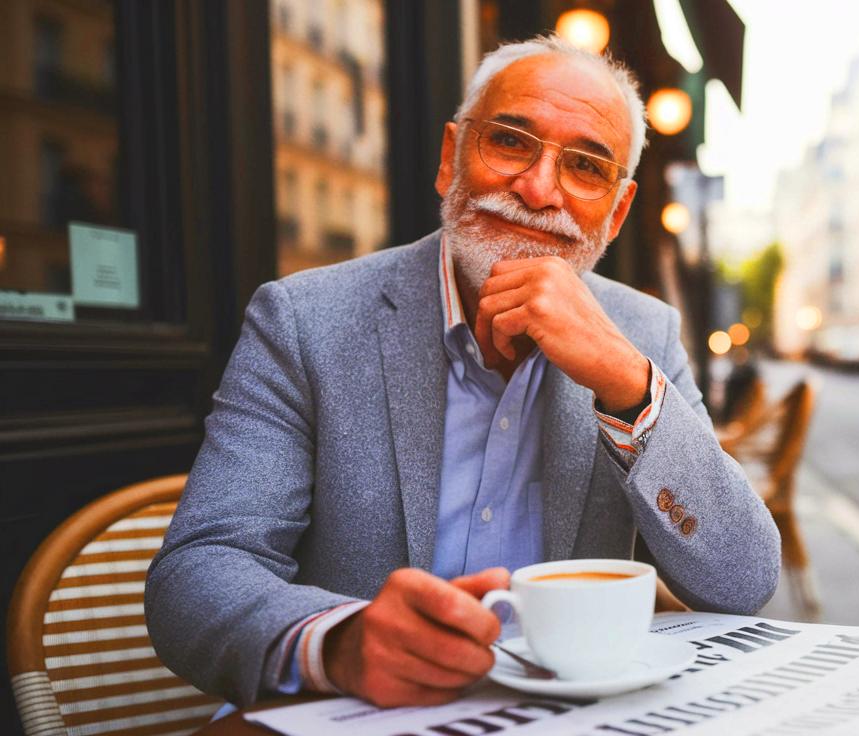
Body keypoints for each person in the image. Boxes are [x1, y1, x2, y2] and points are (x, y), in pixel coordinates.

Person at [145, 35, 780, 710]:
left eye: (587, 168)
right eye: (510, 141)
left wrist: (625, 379)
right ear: (450, 160)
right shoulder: (304, 321)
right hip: (357, 715)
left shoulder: (643, 333)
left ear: (617, 213)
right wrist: (342, 642)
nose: (539, 191)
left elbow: (742, 579)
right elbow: (195, 573)